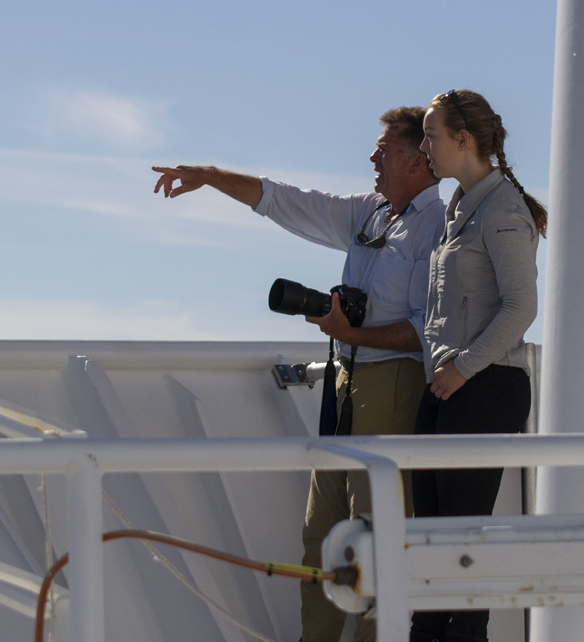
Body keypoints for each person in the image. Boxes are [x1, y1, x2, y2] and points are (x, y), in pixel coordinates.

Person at [151, 106, 444, 642]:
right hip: (345, 383)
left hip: (394, 384)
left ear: (419, 159)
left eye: (384, 149)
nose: (372, 158)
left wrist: (354, 334)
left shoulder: (438, 228)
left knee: (377, 538)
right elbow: (284, 201)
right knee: (322, 539)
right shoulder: (371, 212)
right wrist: (212, 178)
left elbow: (430, 331)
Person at [410, 89, 546, 642]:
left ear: (462, 140)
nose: (424, 147)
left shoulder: (503, 208)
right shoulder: (460, 207)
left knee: (463, 545)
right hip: (450, 388)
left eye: (431, 135)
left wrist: (463, 368)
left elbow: (522, 308)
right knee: (433, 543)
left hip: (485, 387)